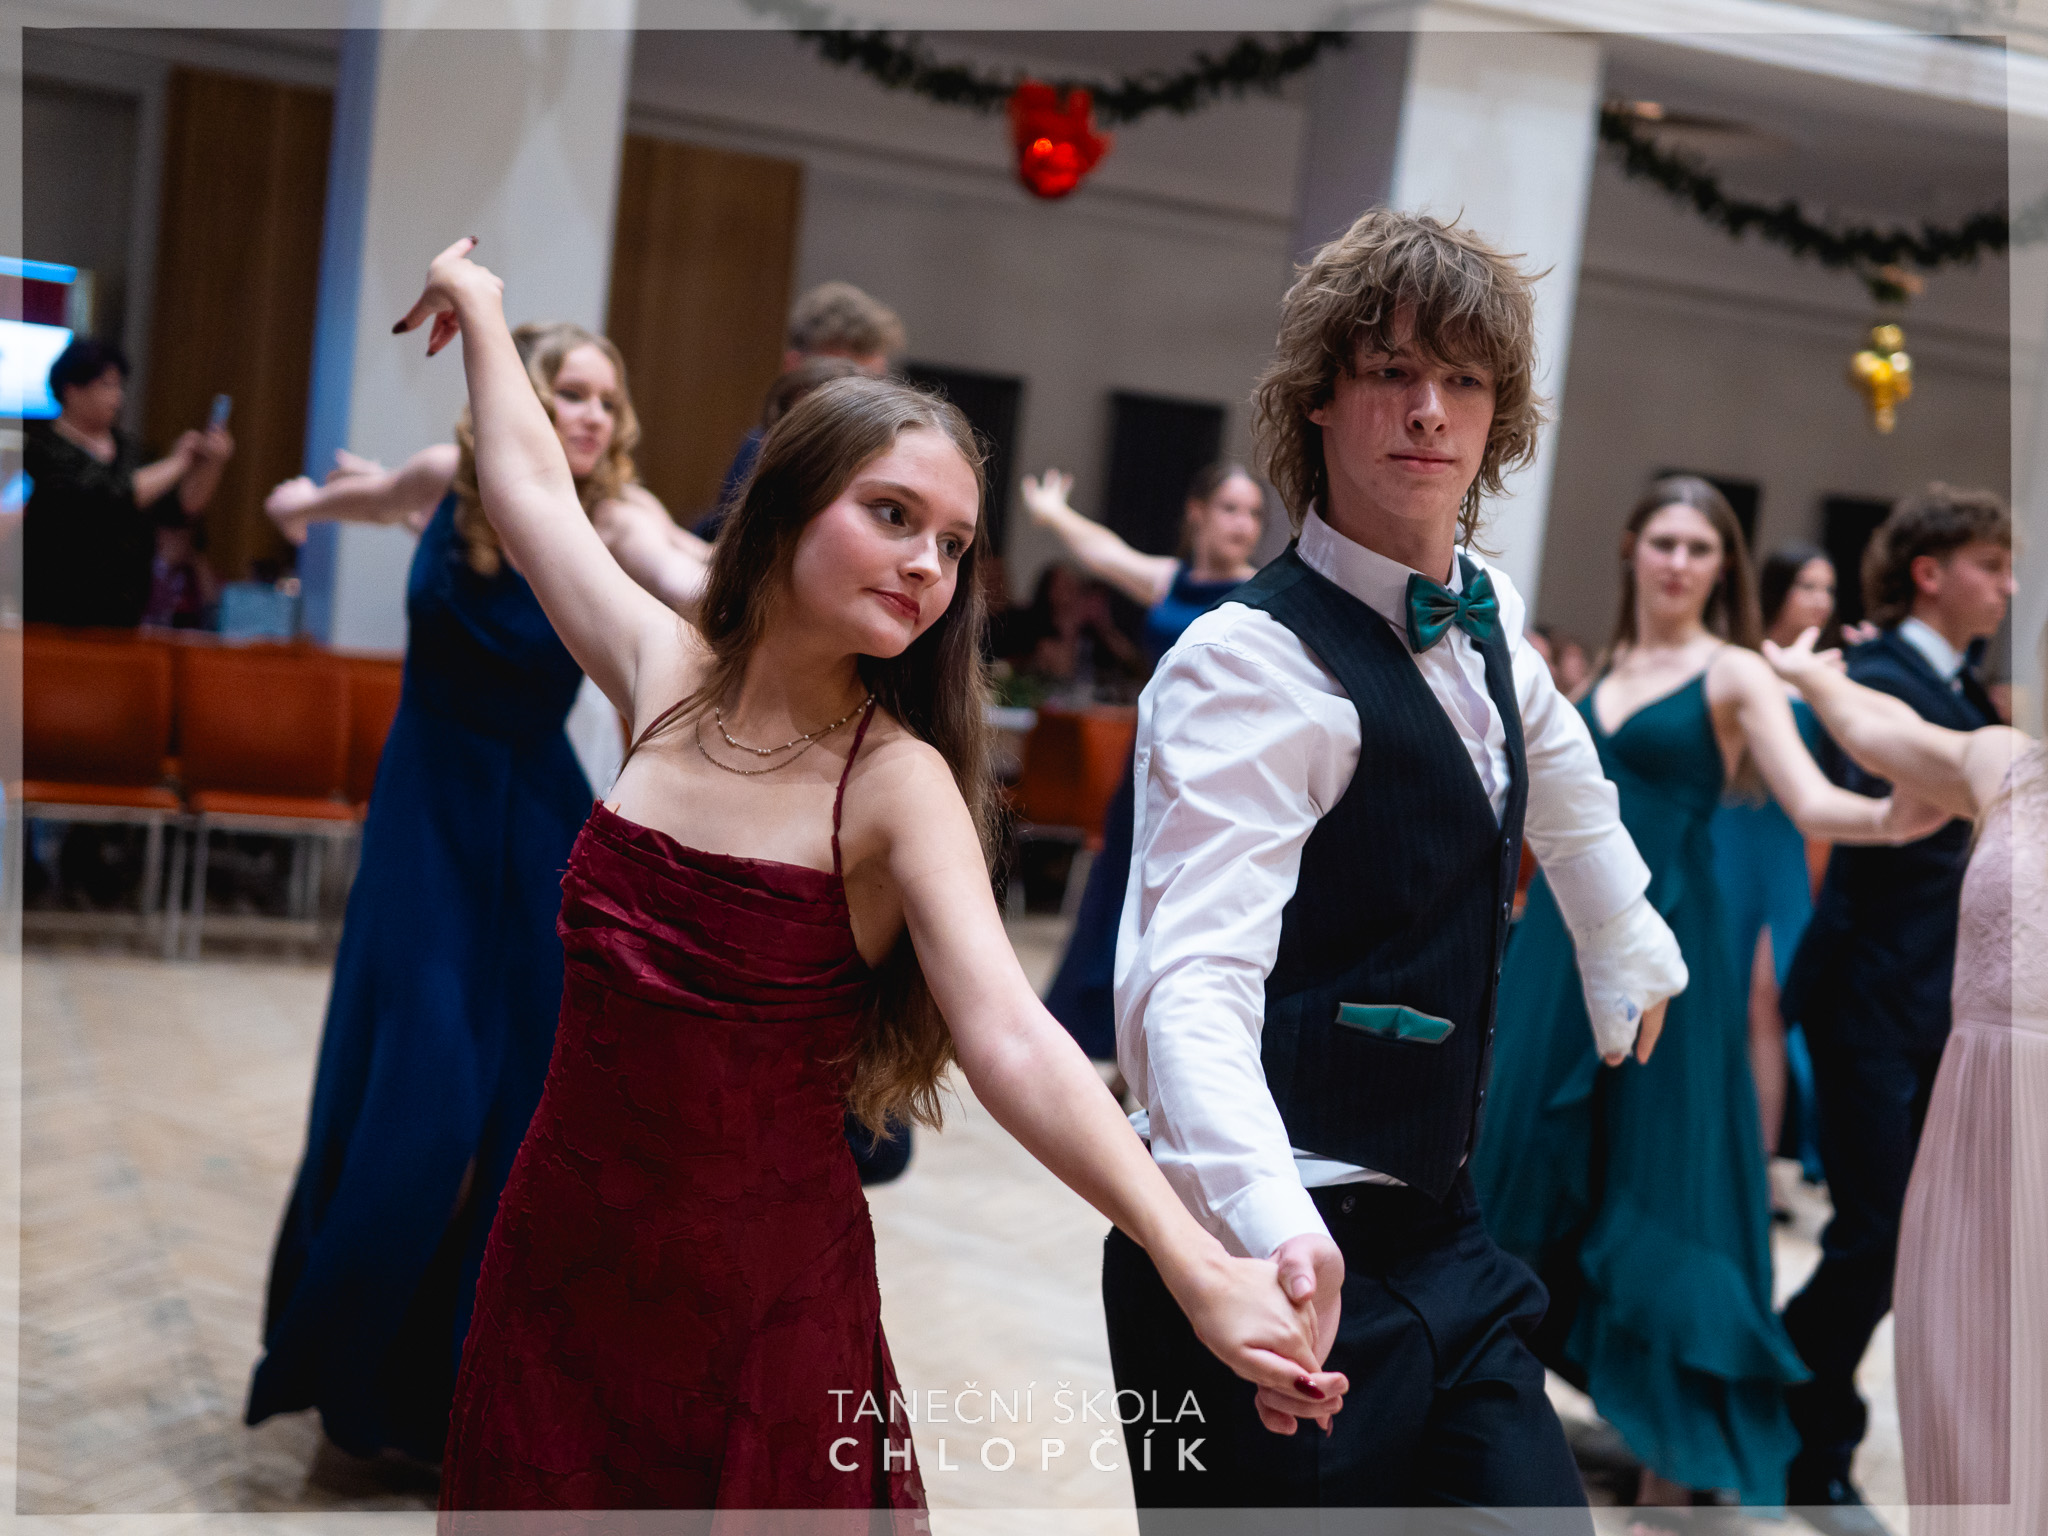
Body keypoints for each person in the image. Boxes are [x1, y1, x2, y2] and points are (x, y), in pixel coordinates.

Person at [394, 237, 1333, 1516]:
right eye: (892, 516)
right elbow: (526, 489)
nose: (926, 565)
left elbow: (1011, 1038)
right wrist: (480, 301)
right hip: (559, 1259)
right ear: (787, 508)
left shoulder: (896, 785)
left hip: (761, 1304)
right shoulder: (662, 677)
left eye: (952, 545)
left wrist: (1190, 1257)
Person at [1102, 208, 1689, 1526]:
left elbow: (1556, 752)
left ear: (1498, 416)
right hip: (1261, 1255)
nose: (1429, 410)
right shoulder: (1245, 667)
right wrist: (1266, 1218)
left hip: (1446, 1238)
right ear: (1318, 398)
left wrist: (1619, 924)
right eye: (1390, 372)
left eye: (1463, 380)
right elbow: (1185, 985)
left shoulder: (1485, 612)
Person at [244, 322, 709, 1467]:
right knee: (422, 1110)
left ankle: (452, 1399)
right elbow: (360, 502)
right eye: (570, 392)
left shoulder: (615, 518)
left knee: (509, 1116)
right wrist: (303, 503)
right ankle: (355, 1377)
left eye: (606, 399)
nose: (591, 415)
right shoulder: (449, 481)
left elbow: (686, 577)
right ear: (522, 398)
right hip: (424, 827)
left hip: (537, 830)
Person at [1473, 477, 1942, 1523]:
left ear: (1723, 566)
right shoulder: (1606, 665)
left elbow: (1808, 797)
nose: (1679, 563)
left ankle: (1673, 1442)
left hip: (1672, 938)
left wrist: (1890, 818)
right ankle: (1500, 1411)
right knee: (1522, 1153)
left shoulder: (1733, 671)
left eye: (1700, 547)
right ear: (1631, 549)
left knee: (1660, 1174)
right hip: (1560, 939)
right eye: (1665, 542)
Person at [1763, 624, 2043, 1536]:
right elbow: (1882, 732)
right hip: (1972, 1129)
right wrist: (1809, 678)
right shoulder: (2007, 764)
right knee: (1962, 1388)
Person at [1018, 462, 1266, 1060]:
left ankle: (1161, 1051)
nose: (1244, 524)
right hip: (1148, 771)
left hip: (1213, 779)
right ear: (1197, 513)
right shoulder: (1169, 580)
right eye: (1231, 508)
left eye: (1255, 513)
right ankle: (1102, 1043)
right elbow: (1104, 553)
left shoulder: (1264, 594)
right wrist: (1055, 515)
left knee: (1180, 914)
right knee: (1118, 901)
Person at [1711, 543, 1838, 1182]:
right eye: (1808, 586)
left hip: (1786, 850)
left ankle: (1760, 1172)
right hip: (1731, 836)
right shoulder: (1738, 662)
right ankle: (1712, 1158)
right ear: (1778, 591)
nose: (1821, 601)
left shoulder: (1827, 674)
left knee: (1771, 1000)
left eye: (1828, 589)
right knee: (1718, 997)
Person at [24, 337, 233, 627]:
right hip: (53, 614)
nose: (117, 396)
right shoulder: (42, 448)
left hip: (124, 616)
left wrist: (213, 464)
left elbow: (180, 508)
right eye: (106, 386)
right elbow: (109, 496)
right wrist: (178, 462)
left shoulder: (129, 450)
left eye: (119, 386)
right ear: (72, 390)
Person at [697, 280, 905, 537]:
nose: (863, 403)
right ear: (794, 369)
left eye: (873, 386)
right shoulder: (760, 450)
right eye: (838, 383)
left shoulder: (886, 462)